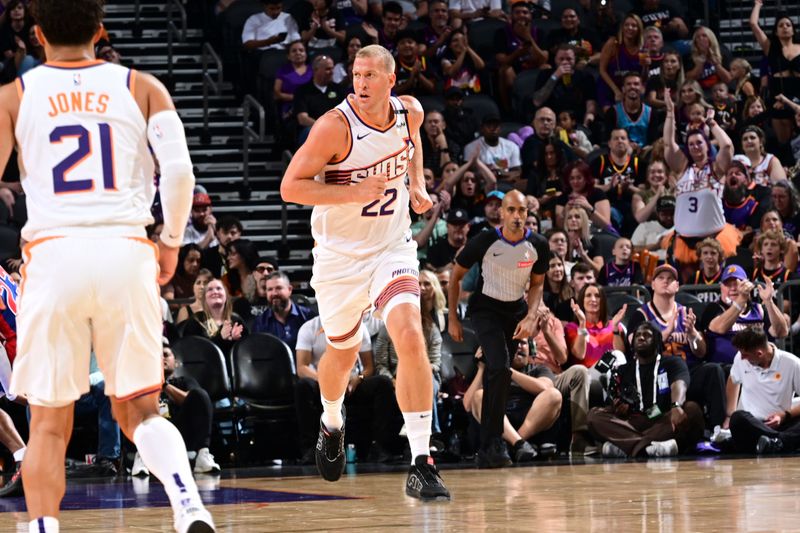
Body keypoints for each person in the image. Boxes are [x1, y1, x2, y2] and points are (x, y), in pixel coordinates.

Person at [1, 1, 215, 531]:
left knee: (49, 422)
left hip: (53, 255)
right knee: (141, 409)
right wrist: (169, 241)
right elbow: (181, 174)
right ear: (100, 30)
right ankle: (189, 505)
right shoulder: (142, 86)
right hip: (125, 249)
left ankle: (44, 526)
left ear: (35, 34)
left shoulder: (13, 96)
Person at [280, 44, 450, 500]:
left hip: (392, 247)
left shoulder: (409, 112)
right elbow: (290, 187)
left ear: (391, 80)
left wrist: (417, 183)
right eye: (356, 74)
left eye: (371, 75)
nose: (361, 83)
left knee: (411, 334)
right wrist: (353, 191)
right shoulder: (334, 128)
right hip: (340, 258)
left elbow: (412, 148)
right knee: (342, 352)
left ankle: (421, 461)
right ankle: (332, 421)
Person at [448, 190, 550, 468]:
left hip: (514, 311)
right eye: (512, 210)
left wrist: (531, 316)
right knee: (500, 367)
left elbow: (538, 284)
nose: (518, 216)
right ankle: (494, 441)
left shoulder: (538, 244)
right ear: (502, 213)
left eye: (523, 211)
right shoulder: (485, 239)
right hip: (485, 310)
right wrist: (453, 319)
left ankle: (488, 446)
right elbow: (455, 277)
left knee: (498, 377)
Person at [587, 322, 705, 458]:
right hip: (632, 421)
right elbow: (613, 403)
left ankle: (626, 446)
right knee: (594, 416)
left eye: (647, 335)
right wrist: (618, 408)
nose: (641, 338)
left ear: (657, 341)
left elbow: (679, 384)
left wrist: (676, 405)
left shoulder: (672, 363)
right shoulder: (623, 370)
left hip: (663, 418)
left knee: (692, 410)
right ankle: (649, 447)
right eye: (638, 335)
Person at [295, 317, 401, 465]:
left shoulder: (359, 328)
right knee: (303, 386)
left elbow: (368, 368)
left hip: (351, 384)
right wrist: (325, 380)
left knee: (383, 383)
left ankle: (380, 447)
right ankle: (310, 449)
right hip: (321, 383)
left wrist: (358, 378)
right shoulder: (308, 328)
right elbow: (301, 368)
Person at [662, 87, 738, 270]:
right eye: (691, 144)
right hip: (684, 240)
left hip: (715, 238)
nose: (695, 147)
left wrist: (712, 123)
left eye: (699, 143)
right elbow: (668, 144)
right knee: (686, 290)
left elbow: (727, 146)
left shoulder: (716, 169)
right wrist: (670, 112)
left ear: (707, 144)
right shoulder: (682, 168)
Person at [133, 339, 221, 477]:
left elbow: (192, 400)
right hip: (154, 432)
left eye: (166, 355)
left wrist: (164, 386)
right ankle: (142, 457)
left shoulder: (185, 381)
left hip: (180, 430)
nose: (162, 359)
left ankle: (202, 454)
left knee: (200, 394)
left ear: (177, 362)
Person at [724, 326, 800, 454]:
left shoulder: (792, 363)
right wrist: (729, 413)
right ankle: (781, 442)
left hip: (783, 422)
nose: (741, 358)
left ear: (759, 353)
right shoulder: (740, 358)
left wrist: (784, 415)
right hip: (752, 425)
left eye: (745, 355)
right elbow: (733, 378)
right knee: (737, 418)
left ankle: (777, 442)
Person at [700, 266, 788, 368]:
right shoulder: (713, 309)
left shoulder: (759, 310)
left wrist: (769, 302)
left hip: (759, 368)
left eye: (738, 283)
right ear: (721, 287)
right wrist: (741, 300)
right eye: (728, 284)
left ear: (748, 285)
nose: (733, 288)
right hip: (725, 368)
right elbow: (720, 328)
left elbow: (781, 332)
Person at [251, 271, 314, 352]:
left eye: (278, 288)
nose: (274, 293)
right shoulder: (260, 323)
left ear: (289, 289)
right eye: (270, 289)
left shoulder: (309, 317)